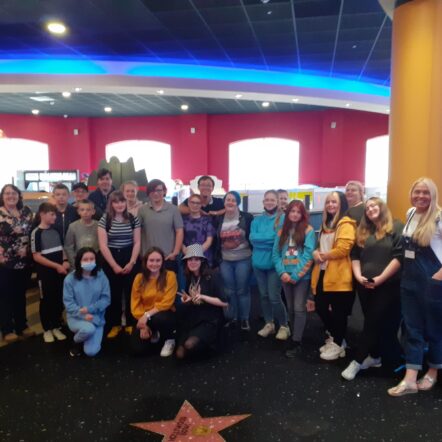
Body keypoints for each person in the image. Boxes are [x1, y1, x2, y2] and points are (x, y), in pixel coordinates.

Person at [388, 177, 442, 397]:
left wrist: (437, 278)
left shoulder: (439, 217)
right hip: (409, 281)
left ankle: (433, 371)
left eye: (425, 192)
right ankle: (410, 379)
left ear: (433, 195)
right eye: (417, 192)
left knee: (434, 329)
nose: (421, 196)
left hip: (432, 283)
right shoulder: (411, 213)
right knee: (412, 328)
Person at [341, 197, 403, 380]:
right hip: (365, 285)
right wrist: (359, 276)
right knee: (372, 321)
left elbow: (399, 257)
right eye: (367, 208)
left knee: (371, 323)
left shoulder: (396, 227)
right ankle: (375, 357)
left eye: (374, 205)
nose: (370, 209)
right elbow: (355, 256)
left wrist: (380, 279)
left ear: (382, 207)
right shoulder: (364, 231)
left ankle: (357, 361)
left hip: (388, 285)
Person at [310, 191, 356, 361]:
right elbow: (319, 245)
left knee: (339, 312)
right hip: (322, 271)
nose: (330, 205)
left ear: (341, 204)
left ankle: (337, 343)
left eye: (334, 202)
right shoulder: (325, 224)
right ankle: (338, 338)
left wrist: (322, 255)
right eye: (328, 202)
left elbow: (344, 248)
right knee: (320, 306)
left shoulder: (346, 223)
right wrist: (316, 253)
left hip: (339, 274)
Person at [272, 200, 315, 356]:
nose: (295, 214)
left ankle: (297, 341)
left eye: (298, 211)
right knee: (290, 308)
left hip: (301, 278)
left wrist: (296, 275)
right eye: (292, 211)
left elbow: (308, 255)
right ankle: (294, 333)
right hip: (285, 276)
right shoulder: (281, 231)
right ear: (288, 213)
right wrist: (282, 272)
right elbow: (275, 254)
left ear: (302, 214)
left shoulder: (308, 230)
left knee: (298, 308)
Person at [98, 191, 141, 338]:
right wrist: (114, 265)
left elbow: (137, 242)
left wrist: (132, 261)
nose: (119, 205)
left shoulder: (133, 218)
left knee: (131, 292)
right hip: (111, 258)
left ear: (126, 203)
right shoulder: (105, 219)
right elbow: (103, 245)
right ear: (111, 204)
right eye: (116, 202)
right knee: (113, 293)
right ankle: (115, 324)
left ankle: (130, 323)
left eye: (122, 201)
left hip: (130, 256)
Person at [176, 244, 228, 359]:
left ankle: (207, 345)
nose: (193, 262)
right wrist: (187, 299)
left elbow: (225, 302)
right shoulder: (190, 276)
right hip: (194, 315)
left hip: (210, 317)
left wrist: (203, 297)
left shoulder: (212, 276)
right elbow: (192, 297)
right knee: (179, 354)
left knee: (189, 346)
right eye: (190, 259)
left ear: (202, 261)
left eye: (196, 259)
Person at [250, 190, 290, 341]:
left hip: (275, 264)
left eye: (272, 199)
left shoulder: (283, 219)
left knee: (274, 297)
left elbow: (279, 240)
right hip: (258, 264)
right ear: (263, 202)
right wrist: (270, 238)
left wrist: (265, 239)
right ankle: (269, 323)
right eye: (266, 199)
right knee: (264, 296)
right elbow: (253, 238)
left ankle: (284, 326)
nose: (269, 202)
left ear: (278, 202)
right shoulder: (256, 220)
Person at [0, 184, 34, 342]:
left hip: (24, 262)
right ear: (2, 196)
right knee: (5, 296)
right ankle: (7, 329)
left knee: (20, 295)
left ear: (19, 195)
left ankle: (22, 325)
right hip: (4, 262)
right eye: (7, 193)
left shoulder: (26, 211)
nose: (10, 196)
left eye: (13, 193)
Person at [31, 202, 69, 343]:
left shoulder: (56, 230)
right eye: (52, 214)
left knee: (58, 299)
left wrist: (65, 261)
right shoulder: (36, 233)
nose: (55, 217)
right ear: (42, 214)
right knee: (45, 300)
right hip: (45, 274)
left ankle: (56, 326)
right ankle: (47, 329)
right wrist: (56, 266)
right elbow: (37, 256)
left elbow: (62, 248)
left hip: (59, 271)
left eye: (55, 214)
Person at [130, 247, 178, 357]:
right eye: (151, 260)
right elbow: (135, 303)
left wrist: (147, 316)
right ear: (146, 262)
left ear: (162, 262)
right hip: (144, 316)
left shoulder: (170, 276)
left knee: (160, 318)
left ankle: (169, 340)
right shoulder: (139, 278)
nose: (154, 264)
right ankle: (154, 331)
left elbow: (167, 302)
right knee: (137, 349)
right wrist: (143, 325)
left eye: (158, 260)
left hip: (164, 314)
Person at [63, 247, 110, 357]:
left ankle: (86, 336)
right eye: (85, 259)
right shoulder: (70, 279)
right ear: (79, 261)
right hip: (76, 317)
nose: (89, 262)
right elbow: (69, 304)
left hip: (97, 317)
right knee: (89, 329)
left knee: (91, 352)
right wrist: (83, 315)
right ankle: (76, 341)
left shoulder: (101, 276)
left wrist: (90, 310)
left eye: (92, 259)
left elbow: (106, 299)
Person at [217, 191, 253, 330]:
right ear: (224, 202)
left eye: (233, 200)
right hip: (225, 259)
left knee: (242, 290)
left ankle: (244, 319)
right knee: (229, 290)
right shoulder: (219, 218)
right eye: (228, 199)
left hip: (243, 258)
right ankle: (232, 317)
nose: (230, 202)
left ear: (237, 202)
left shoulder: (247, 217)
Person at [138, 179, 183, 273]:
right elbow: (137, 232)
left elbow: (179, 231)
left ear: (164, 191)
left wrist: (175, 252)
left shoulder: (173, 209)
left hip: (168, 258)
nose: (155, 193)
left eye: (159, 190)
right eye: (152, 191)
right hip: (148, 259)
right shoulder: (142, 210)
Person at [182, 194, 215, 266]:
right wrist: (189, 254)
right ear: (188, 203)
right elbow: (180, 240)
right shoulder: (183, 220)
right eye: (192, 202)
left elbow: (209, 241)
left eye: (197, 203)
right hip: (187, 257)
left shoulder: (207, 220)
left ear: (201, 205)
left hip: (204, 256)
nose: (195, 205)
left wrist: (196, 254)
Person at [64, 199, 99, 267]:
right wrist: (75, 263)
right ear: (78, 211)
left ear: (93, 211)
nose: (85, 212)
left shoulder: (99, 226)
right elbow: (68, 247)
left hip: (95, 262)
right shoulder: (72, 226)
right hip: (78, 262)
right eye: (82, 210)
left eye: (88, 210)